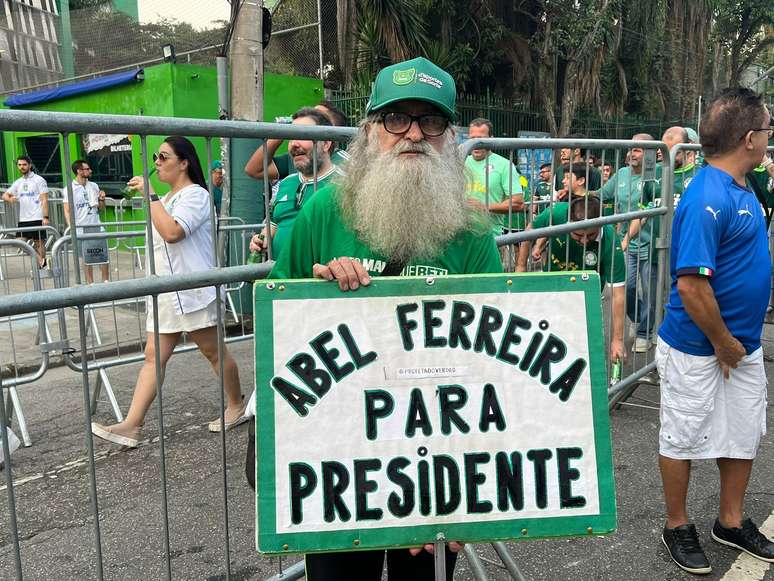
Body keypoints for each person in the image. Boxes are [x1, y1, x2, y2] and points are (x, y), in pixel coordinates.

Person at [258, 56, 501, 581]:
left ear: (448, 136)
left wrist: (470, 498)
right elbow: (276, 321)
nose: (413, 133)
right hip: (339, 463)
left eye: (429, 120)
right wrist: (316, 295)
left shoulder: (474, 232)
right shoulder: (324, 210)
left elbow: (491, 370)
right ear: (370, 132)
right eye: (396, 119)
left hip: (435, 468)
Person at [656, 88, 774, 575]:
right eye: (767, 131)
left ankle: (729, 520)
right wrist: (723, 343)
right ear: (749, 138)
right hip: (698, 347)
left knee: (742, 433)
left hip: (737, 347)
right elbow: (691, 286)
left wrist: (736, 345)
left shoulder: (743, 185)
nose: (769, 138)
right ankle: (676, 525)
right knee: (682, 435)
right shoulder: (708, 195)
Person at [91, 136, 245, 448]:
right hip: (164, 292)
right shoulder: (167, 197)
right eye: (156, 157)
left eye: (163, 157)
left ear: (184, 162)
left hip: (192, 290)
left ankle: (237, 405)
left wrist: (150, 196)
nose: (157, 163)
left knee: (214, 352)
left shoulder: (196, 196)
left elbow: (173, 232)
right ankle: (132, 425)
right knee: (153, 356)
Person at [248, 107, 343, 260]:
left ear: (326, 144)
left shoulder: (345, 186)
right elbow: (271, 227)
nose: (294, 144)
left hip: (319, 281)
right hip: (281, 280)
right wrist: (259, 241)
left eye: (303, 135)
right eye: (291, 137)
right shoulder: (285, 183)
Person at [599, 133, 658, 353]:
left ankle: (645, 333)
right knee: (627, 288)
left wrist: (625, 238)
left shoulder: (656, 177)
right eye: (631, 148)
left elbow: (644, 213)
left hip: (651, 244)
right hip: (627, 243)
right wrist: (577, 193)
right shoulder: (621, 174)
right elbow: (602, 195)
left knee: (651, 291)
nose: (631, 153)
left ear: (650, 153)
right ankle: (639, 319)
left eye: (638, 149)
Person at [244, 100, 349, 197]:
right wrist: (282, 131)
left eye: (317, 116)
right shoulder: (297, 158)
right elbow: (254, 170)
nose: (310, 117)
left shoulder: (346, 163)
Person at [465, 117, 525, 266]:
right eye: (472, 139)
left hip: (491, 240)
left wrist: (484, 206)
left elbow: (518, 204)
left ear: (491, 139)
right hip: (461, 239)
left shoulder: (504, 165)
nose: (476, 144)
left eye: (481, 139)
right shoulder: (460, 161)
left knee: (489, 286)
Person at [64, 160, 110, 284]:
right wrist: (71, 228)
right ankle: (91, 284)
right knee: (86, 257)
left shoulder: (94, 185)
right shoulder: (70, 188)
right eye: (87, 169)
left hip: (96, 225)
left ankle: (106, 282)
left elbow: (101, 208)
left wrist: (101, 199)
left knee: (103, 256)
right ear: (79, 171)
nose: (90, 171)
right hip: (80, 228)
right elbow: (67, 210)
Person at [2, 155, 49, 268]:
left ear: (29, 165)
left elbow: (44, 199)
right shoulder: (18, 182)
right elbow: (4, 195)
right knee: (19, 243)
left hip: (37, 216)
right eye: (19, 165)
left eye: (24, 164)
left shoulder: (39, 180)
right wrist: (10, 199)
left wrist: (45, 217)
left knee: (39, 243)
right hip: (23, 218)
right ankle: (41, 260)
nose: (22, 167)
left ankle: (40, 268)